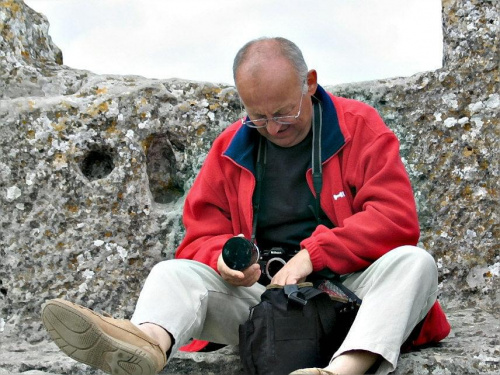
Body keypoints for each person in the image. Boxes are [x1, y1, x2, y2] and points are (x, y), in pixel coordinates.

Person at [41, 37, 450, 375]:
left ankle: (342, 371)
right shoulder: (231, 149)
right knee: (173, 273)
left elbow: (395, 220)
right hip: (266, 309)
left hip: (351, 302)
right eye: (259, 117)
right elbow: (199, 236)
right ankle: (147, 343)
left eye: (285, 112)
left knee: (417, 264)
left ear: (309, 82)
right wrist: (222, 261)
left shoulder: (360, 127)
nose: (274, 127)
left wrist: (313, 255)